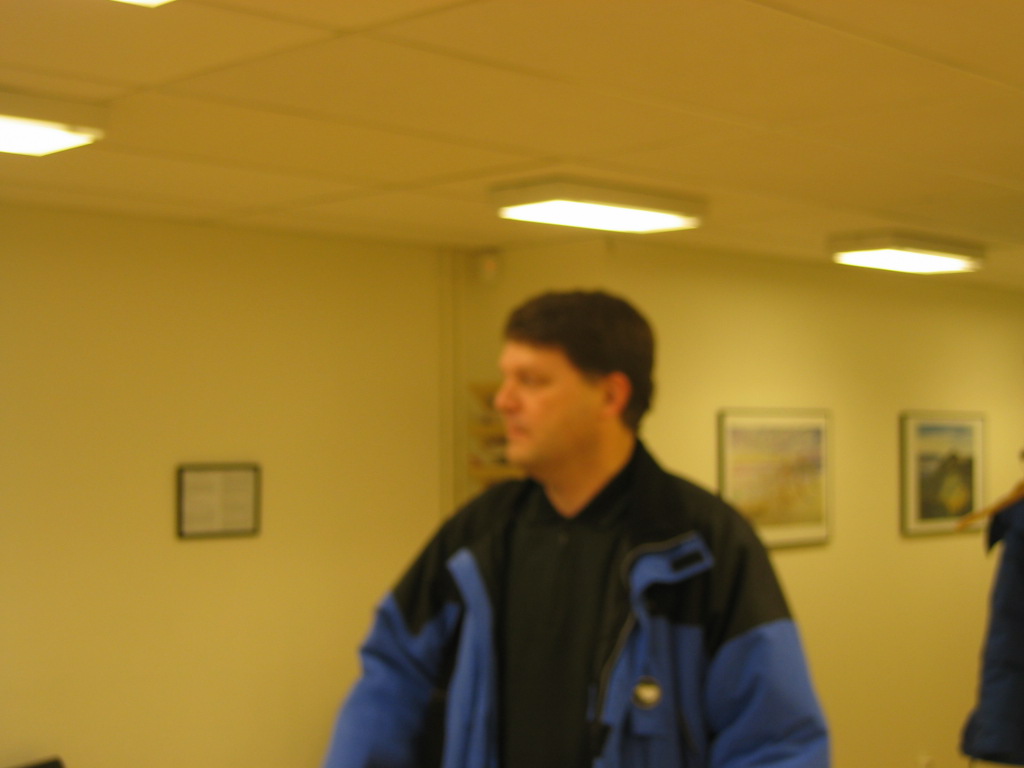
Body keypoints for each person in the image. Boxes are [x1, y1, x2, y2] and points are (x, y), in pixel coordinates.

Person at [323, 290, 829, 768]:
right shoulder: (477, 536)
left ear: (610, 396)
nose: (504, 401)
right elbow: (391, 679)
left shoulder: (702, 547)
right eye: (506, 378)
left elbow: (776, 742)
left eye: (531, 381)